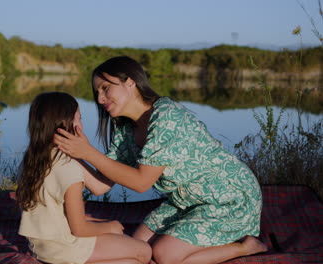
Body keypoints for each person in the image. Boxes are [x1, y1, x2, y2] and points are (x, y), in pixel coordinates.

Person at [54, 56, 268, 264]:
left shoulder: (167, 116)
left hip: (228, 197)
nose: (100, 99)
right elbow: (101, 185)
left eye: (105, 88)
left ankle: (245, 247)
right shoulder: (126, 130)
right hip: (186, 202)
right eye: (97, 92)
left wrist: (88, 152)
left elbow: (141, 182)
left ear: (130, 82)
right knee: (138, 247)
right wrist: (71, 152)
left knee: (165, 255)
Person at [16, 92, 152, 264]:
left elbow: (97, 188)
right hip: (66, 248)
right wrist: (111, 226)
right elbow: (79, 229)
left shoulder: (31, 161)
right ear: (67, 124)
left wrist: (86, 151)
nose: (81, 124)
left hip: (41, 248)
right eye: (79, 118)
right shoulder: (68, 168)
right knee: (144, 252)